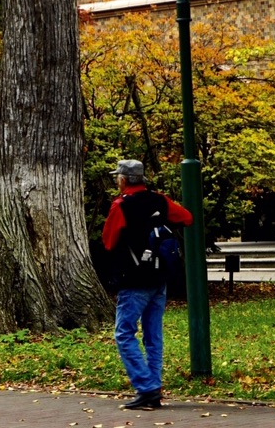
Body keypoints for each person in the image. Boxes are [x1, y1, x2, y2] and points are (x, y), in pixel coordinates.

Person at [100, 159, 193, 411]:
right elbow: (186, 217)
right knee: (153, 335)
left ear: (123, 180)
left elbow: (108, 241)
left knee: (124, 333)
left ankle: (146, 387)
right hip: (159, 277)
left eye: (117, 177)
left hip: (133, 279)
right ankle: (154, 388)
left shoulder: (121, 205)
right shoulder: (159, 200)